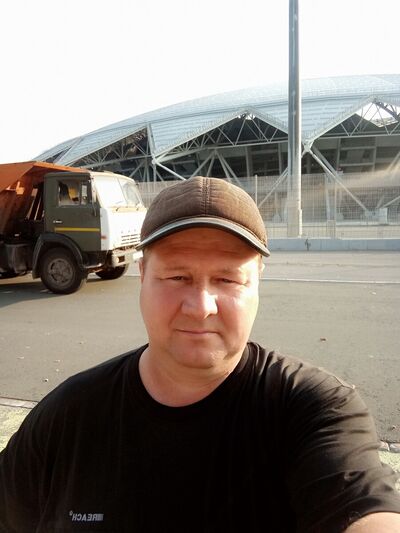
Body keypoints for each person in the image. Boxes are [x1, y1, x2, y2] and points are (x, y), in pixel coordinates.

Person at [1, 176, 400, 532]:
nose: (201, 306)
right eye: (177, 276)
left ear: (257, 284)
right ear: (143, 275)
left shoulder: (314, 410)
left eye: (227, 279)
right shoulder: (68, 418)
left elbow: (362, 507)